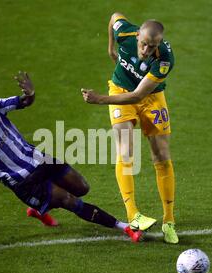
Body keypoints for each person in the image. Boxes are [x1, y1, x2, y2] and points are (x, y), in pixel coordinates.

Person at [0, 71, 143, 243]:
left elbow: (24, 102)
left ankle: (41, 207)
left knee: (82, 188)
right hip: (24, 182)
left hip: (41, 160)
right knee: (70, 200)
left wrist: (29, 94)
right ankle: (124, 227)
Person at [81, 13, 179, 244]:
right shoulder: (125, 32)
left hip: (150, 98)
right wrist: (110, 49)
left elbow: (138, 95)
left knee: (162, 157)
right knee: (125, 151)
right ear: (137, 36)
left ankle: (169, 221)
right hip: (119, 90)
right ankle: (132, 214)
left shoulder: (164, 60)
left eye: (151, 46)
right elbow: (114, 16)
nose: (145, 50)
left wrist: (98, 100)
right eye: (143, 44)